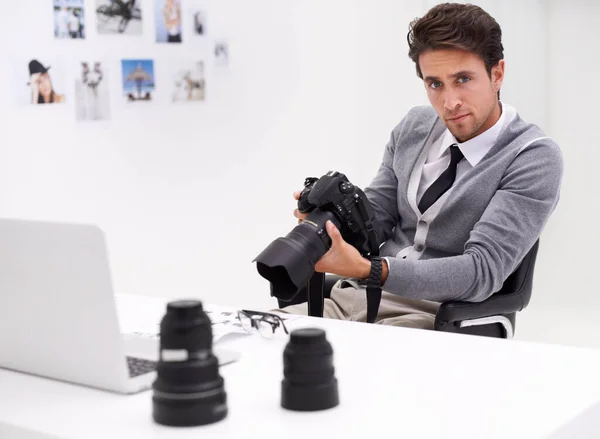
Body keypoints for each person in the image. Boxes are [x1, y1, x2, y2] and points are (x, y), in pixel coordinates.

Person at [276, 3, 564, 329]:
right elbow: (376, 220)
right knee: (255, 339)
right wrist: (329, 226)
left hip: (432, 317)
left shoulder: (533, 157)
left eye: (463, 79)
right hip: (351, 300)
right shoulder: (414, 126)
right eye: (435, 84)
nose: (449, 102)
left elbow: (482, 270)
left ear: (497, 74)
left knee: (350, 368)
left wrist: (372, 270)